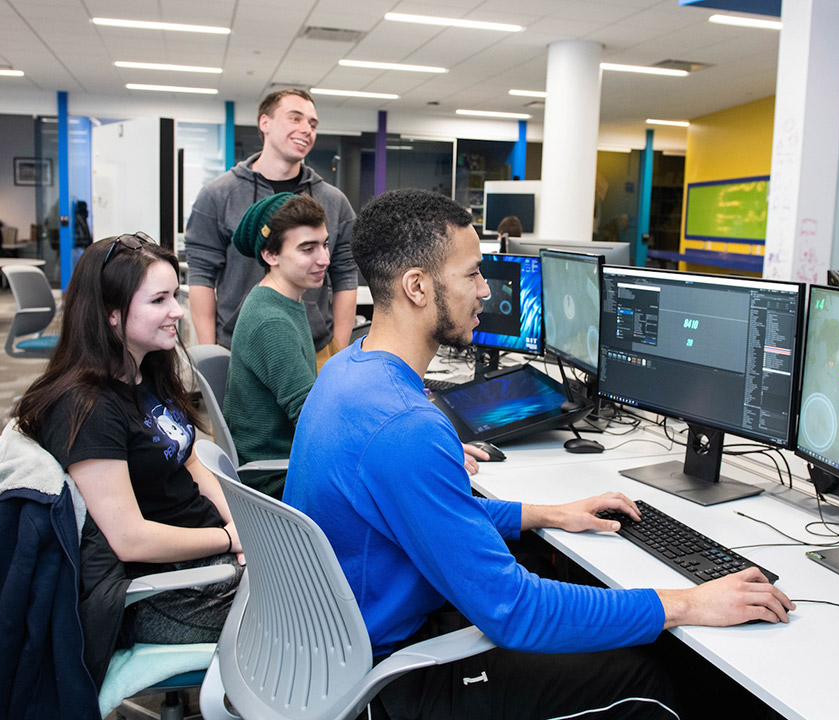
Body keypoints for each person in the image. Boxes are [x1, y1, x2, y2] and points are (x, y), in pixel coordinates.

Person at [284, 188, 794, 718]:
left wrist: (548, 514)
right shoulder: (405, 427)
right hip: (391, 678)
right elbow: (516, 612)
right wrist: (688, 602)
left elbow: (430, 511)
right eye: (472, 274)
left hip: (343, 645)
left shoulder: (347, 370)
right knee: (649, 678)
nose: (486, 290)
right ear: (417, 286)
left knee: (558, 571)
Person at [11, 233, 243, 685]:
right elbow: (130, 540)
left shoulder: (145, 371)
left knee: (328, 579)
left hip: (203, 562)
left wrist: (243, 529)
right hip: (159, 593)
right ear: (110, 315)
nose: (177, 311)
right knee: (321, 607)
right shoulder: (86, 408)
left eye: (173, 295)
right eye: (159, 300)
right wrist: (227, 538)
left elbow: (191, 463)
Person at [185, 88, 358, 368]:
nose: (307, 129)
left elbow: (345, 276)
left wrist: (337, 352)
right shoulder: (218, 195)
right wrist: (211, 355)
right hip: (238, 349)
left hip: (314, 350)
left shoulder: (333, 201)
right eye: (295, 118)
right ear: (264, 123)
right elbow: (202, 277)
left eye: (312, 124)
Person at [223, 192, 326, 499]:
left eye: (324, 244)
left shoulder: (281, 300)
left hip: (289, 466)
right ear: (270, 255)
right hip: (277, 482)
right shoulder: (272, 322)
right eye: (308, 249)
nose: (324, 258)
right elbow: (314, 422)